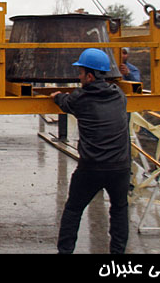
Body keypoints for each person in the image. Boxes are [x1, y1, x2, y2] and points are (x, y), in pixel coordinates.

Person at [50, 48, 131, 254]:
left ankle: (65, 251)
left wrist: (57, 95)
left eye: (80, 73)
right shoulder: (119, 96)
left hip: (92, 168)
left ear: (90, 76)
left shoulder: (81, 98)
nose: (78, 77)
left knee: (73, 209)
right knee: (120, 209)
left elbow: (64, 103)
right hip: (120, 167)